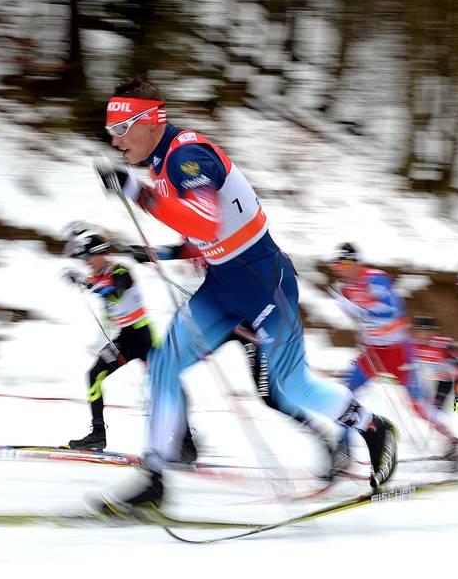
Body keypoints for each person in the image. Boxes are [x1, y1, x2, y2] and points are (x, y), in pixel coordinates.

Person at [92, 79, 397, 514]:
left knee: (291, 388)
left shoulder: (185, 157)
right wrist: (158, 248)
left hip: (264, 285)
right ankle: (154, 478)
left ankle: (372, 428)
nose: (114, 139)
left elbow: (205, 225)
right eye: (110, 129)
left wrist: (137, 193)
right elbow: (204, 238)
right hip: (222, 286)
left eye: (120, 127)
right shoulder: (162, 162)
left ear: (151, 120)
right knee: (163, 364)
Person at [59, 231, 206, 460]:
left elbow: (115, 294)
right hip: (125, 339)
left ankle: (186, 444)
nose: (86, 263)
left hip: (144, 337)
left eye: (88, 257)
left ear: (100, 255)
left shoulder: (120, 270)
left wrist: (85, 282)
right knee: (94, 374)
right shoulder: (97, 277)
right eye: (83, 259)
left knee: (165, 386)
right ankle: (98, 434)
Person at [329, 243, 458, 465]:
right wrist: (360, 327)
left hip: (399, 352)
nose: (341, 269)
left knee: (418, 405)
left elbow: (393, 313)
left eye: (345, 263)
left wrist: (359, 310)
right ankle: (343, 450)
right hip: (372, 352)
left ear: (356, 262)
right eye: (337, 265)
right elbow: (366, 320)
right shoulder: (348, 288)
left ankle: (453, 442)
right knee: (343, 393)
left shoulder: (376, 279)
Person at [411, 315, 458, 416]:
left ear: (435, 332)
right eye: (420, 331)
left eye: (429, 331)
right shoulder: (409, 343)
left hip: (440, 386)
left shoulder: (444, 345)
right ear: (415, 331)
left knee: (434, 415)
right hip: (418, 383)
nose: (424, 335)